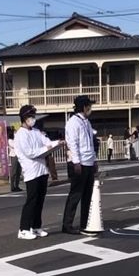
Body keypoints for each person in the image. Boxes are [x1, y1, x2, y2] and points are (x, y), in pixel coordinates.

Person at [14, 105, 62, 239]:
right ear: (24, 118)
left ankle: (36, 226)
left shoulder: (36, 131)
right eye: (30, 116)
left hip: (42, 170)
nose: (33, 119)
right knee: (32, 200)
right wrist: (44, 149)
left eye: (33, 116)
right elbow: (30, 153)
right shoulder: (20, 135)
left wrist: (57, 143)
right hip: (31, 171)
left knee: (40, 200)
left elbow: (47, 142)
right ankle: (23, 229)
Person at [62, 95, 97, 235]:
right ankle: (67, 225)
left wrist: (94, 160)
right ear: (83, 107)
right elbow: (72, 143)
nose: (90, 108)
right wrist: (76, 162)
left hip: (88, 161)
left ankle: (84, 223)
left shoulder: (87, 122)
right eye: (89, 106)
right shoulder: (73, 122)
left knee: (88, 195)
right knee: (75, 194)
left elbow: (90, 143)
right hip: (79, 163)